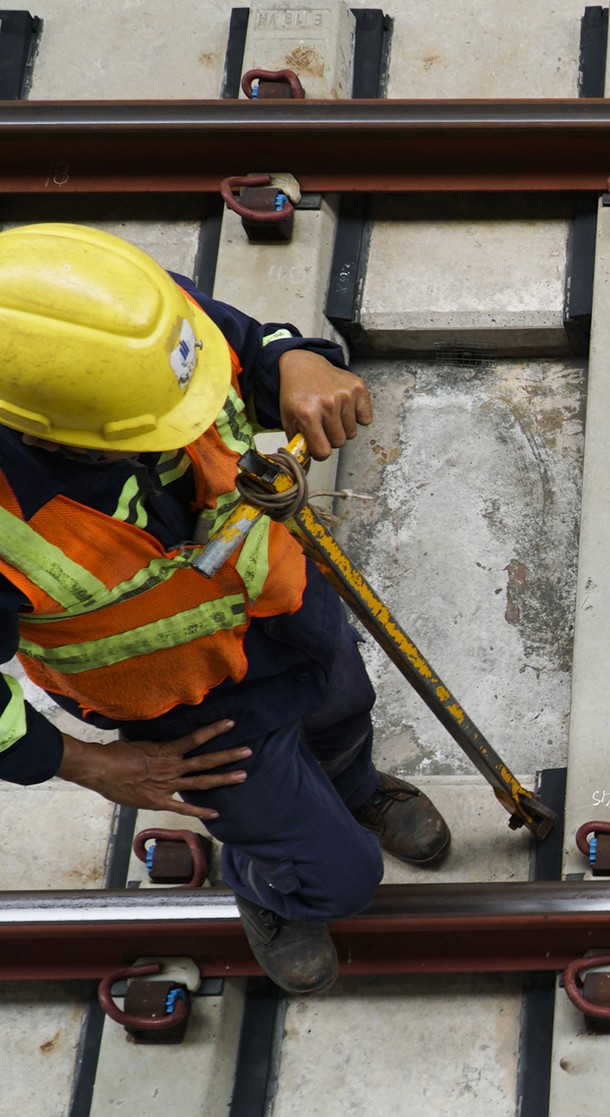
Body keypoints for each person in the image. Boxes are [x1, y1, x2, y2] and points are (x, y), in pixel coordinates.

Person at [0, 223, 449, 994]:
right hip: (189, 711)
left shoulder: (130, 321)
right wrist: (91, 764)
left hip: (285, 609)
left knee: (344, 713)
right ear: (51, 432)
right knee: (346, 881)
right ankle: (267, 882)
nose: (186, 426)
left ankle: (354, 790)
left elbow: (244, 347)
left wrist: (299, 360)